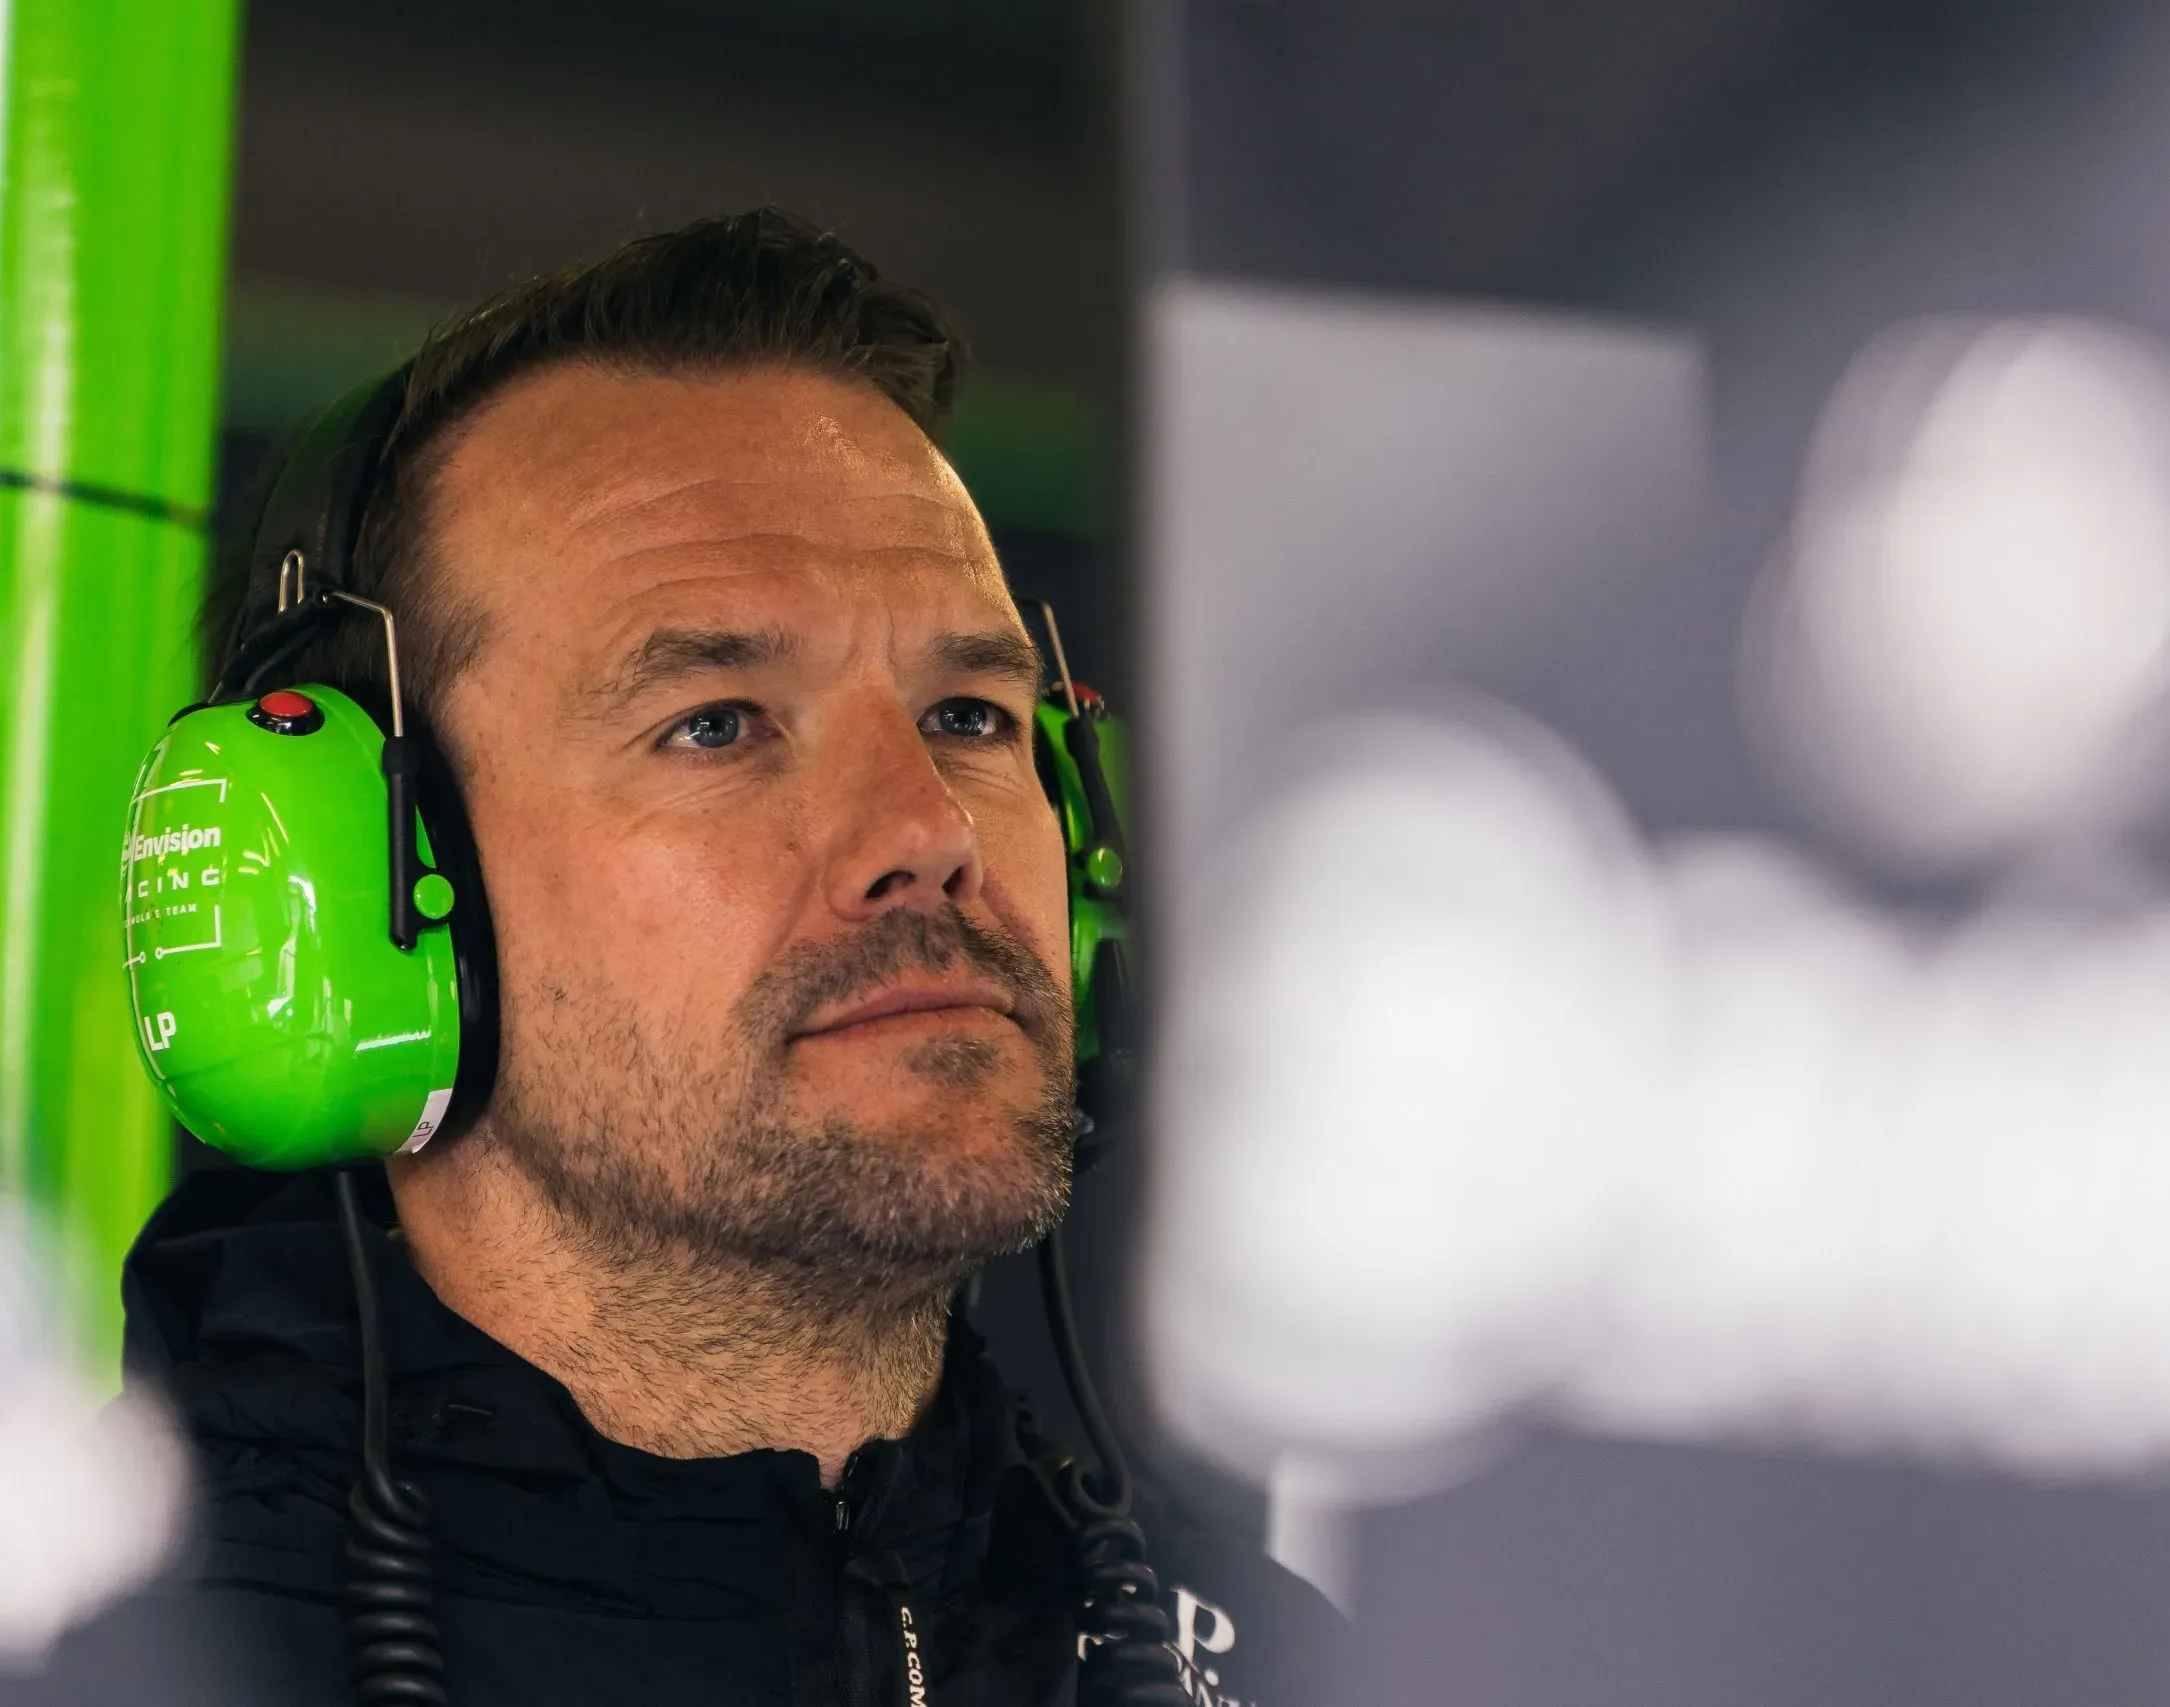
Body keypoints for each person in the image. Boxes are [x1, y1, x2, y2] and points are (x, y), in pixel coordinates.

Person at [124, 208, 1339, 1706]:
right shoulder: (79, 1665)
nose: (928, 830)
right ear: (370, 889)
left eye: (971, 716)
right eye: (716, 725)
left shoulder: (1302, 1667)